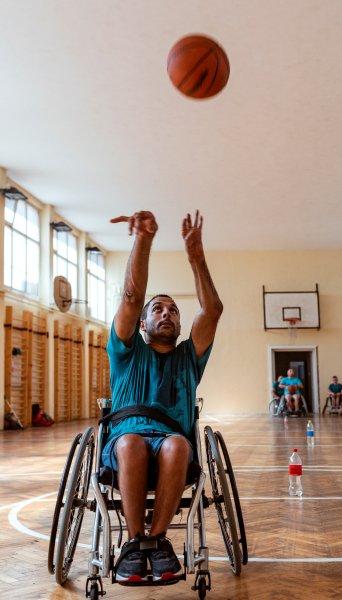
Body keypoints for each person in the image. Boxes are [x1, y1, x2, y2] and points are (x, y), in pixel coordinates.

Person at [103, 210, 222, 584]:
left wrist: (196, 255)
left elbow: (213, 310)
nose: (166, 313)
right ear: (143, 324)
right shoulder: (127, 352)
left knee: (176, 446)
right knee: (132, 444)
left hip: (173, 444)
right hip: (127, 440)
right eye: (158, 309)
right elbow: (131, 295)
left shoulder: (189, 357)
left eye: (173, 310)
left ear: (180, 324)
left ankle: (156, 541)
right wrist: (144, 239)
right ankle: (133, 542)